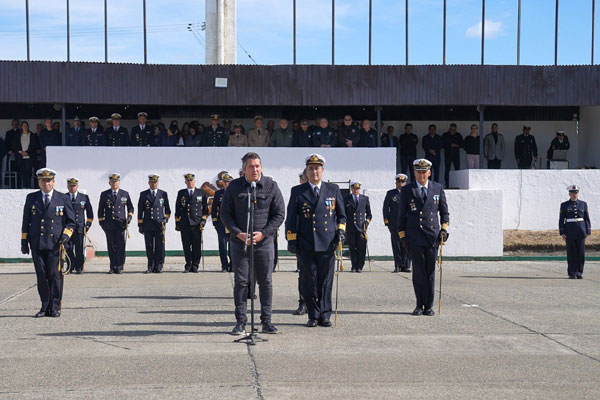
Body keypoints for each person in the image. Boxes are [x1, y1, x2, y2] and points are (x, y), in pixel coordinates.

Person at [221, 152, 285, 335]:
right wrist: (238, 233)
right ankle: (241, 322)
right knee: (241, 282)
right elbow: (225, 214)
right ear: (244, 169)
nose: (255, 169)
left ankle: (266, 321)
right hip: (240, 243)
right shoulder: (234, 187)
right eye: (251, 166)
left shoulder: (271, 186)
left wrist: (263, 233)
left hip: (264, 243)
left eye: (258, 166)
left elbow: (279, 214)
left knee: (265, 282)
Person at [285, 153, 346, 328]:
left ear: (323, 170)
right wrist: (291, 240)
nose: (314, 172)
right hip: (306, 243)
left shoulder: (332, 189)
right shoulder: (298, 191)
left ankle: (325, 315)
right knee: (309, 281)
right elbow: (291, 218)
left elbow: (341, 215)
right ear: (306, 171)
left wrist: (341, 231)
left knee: (325, 282)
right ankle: (313, 315)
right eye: (311, 169)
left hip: (328, 243)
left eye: (317, 168)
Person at [21, 168, 75, 318]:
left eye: (49, 181)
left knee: (54, 276)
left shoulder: (62, 198)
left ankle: (55, 306)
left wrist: (66, 235)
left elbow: (71, 222)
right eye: (43, 181)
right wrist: (24, 241)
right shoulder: (31, 198)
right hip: (37, 243)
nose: (46, 183)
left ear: (54, 182)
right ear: (39, 182)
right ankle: (45, 306)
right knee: (41, 276)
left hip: (55, 244)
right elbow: (26, 220)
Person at [398, 159, 449, 316]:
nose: (421, 176)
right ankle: (419, 305)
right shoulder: (407, 190)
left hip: (432, 237)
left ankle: (429, 306)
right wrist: (403, 236)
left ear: (429, 173)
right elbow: (401, 215)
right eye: (418, 172)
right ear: (414, 173)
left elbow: (444, 212)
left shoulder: (437, 188)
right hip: (414, 237)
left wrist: (444, 229)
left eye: (424, 172)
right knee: (418, 272)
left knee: (430, 273)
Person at [98, 173, 134, 274]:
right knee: (111, 246)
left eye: (116, 181)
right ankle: (113, 266)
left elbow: (130, 208)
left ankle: (120, 266)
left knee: (120, 246)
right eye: (112, 182)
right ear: (109, 183)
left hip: (120, 224)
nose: (114, 183)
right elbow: (100, 209)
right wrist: (102, 222)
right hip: (109, 224)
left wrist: (129, 217)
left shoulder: (124, 194)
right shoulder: (105, 194)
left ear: (119, 182)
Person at [175, 173, 209, 273]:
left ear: (194, 181)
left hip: (196, 223)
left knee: (196, 245)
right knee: (186, 245)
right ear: (185, 182)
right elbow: (178, 208)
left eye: (192, 180)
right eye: (188, 181)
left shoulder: (201, 192)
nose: (190, 182)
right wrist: (177, 223)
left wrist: (203, 220)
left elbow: (205, 209)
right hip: (185, 223)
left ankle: (195, 265)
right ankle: (188, 265)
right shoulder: (181, 193)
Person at [138, 175, 171, 273]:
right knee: (149, 246)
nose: (154, 184)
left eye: (155, 182)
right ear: (149, 183)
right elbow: (140, 210)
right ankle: (150, 266)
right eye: (152, 182)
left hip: (159, 225)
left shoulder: (163, 194)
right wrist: (140, 224)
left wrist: (165, 220)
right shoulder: (143, 194)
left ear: (158, 183)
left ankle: (159, 266)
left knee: (160, 247)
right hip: (148, 224)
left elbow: (168, 210)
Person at [559, 185, 591, 279]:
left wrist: (588, 230)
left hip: (581, 230)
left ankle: (579, 273)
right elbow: (561, 219)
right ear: (569, 194)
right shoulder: (564, 205)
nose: (574, 194)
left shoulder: (583, 204)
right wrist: (562, 232)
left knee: (581, 253)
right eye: (572, 193)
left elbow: (586, 218)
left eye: (576, 193)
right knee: (571, 252)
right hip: (569, 231)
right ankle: (572, 272)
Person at [65, 177, 93, 274]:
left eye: (74, 186)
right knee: (67, 248)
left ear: (77, 186)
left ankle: (79, 267)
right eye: (70, 186)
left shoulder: (84, 197)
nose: (72, 188)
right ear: (67, 186)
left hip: (79, 227)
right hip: (67, 227)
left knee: (79, 248)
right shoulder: (63, 197)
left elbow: (90, 213)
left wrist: (88, 225)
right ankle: (70, 265)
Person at [383, 174, 411, 273]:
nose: (400, 184)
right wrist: (387, 222)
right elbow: (385, 208)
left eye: (402, 182)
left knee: (407, 244)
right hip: (394, 224)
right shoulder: (391, 193)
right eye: (398, 182)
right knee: (396, 245)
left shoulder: (410, 192)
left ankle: (406, 266)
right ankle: (398, 265)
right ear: (396, 183)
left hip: (407, 224)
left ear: (405, 183)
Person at [343, 182, 372, 273]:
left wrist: (366, 222)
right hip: (350, 227)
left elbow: (369, 214)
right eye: (354, 188)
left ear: (359, 189)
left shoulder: (365, 199)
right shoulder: (346, 199)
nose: (356, 190)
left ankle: (360, 266)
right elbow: (343, 213)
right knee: (352, 247)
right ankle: (354, 266)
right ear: (351, 189)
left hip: (361, 228)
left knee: (361, 247)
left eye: (357, 189)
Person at [293, 170, 308, 315]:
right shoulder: (297, 194)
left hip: (319, 242)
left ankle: (316, 303)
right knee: (303, 274)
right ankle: (303, 302)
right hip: (302, 242)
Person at [212, 173, 233, 272]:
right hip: (221, 223)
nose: (226, 183)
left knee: (232, 246)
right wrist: (215, 221)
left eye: (228, 182)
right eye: (225, 182)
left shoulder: (235, 192)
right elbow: (214, 209)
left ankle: (233, 265)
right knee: (223, 246)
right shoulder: (218, 194)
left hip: (232, 224)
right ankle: (224, 265)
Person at [12, 121, 40, 189]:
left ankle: (29, 186)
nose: (25, 127)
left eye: (26, 126)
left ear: (28, 127)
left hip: (29, 156)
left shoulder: (32, 135)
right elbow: (16, 145)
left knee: (29, 171)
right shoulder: (18, 135)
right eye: (24, 126)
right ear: (21, 127)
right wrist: (21, 152)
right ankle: (24, 186)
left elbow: (33, 145)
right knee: (23, 171)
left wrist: (27, 152)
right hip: (21, 156)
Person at [442, 123, 463, 188]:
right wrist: (450, 145)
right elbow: (442, 144)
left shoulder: (458, 135)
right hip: (448, 155)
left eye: (454, 129)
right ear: (449, 128)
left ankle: (457, 184)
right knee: (447, 170)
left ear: (456, 129)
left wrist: (456, 145)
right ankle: (447, 184)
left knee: (457, 170)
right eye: (451, 129)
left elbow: (462, 144)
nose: (453, 130)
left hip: (456, 155)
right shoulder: (445, 135)